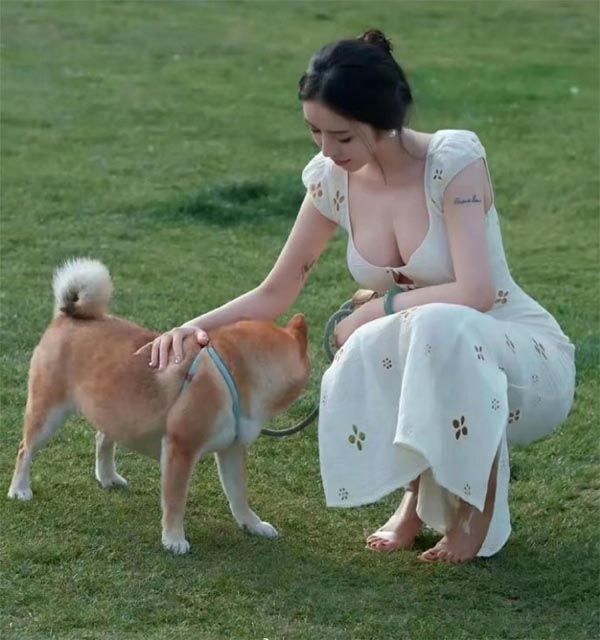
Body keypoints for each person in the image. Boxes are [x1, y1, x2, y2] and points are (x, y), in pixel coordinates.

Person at [149, 29, 576, 563]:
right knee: (399, 336)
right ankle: (415, 502)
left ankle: (477, 510)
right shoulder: (332, 180)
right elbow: (277, 291)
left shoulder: (453, 161)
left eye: (343, 137)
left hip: (520, 357)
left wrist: (379, 307)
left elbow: (476, 292)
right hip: (432, 347)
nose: (328, 150)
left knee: (433, 325)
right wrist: (193, 328)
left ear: (384, 120)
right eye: (315, 132)